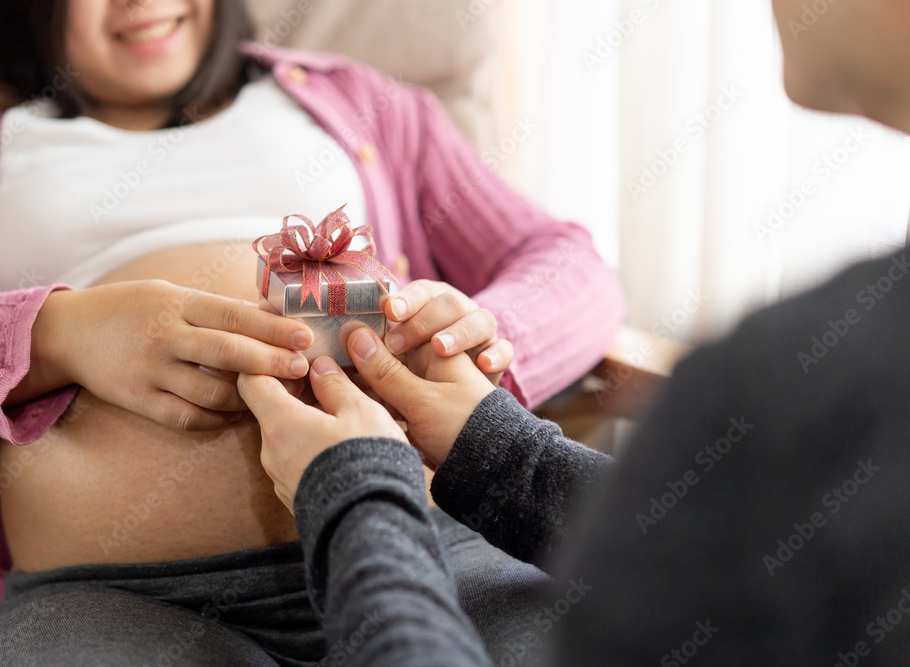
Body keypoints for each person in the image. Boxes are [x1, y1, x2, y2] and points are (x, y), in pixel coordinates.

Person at [0, 0, 624, 665]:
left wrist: (488, 336)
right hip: (101, 599)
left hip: (429, 549)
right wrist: (54, 336)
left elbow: (573, 265)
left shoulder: (364, 104)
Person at [243, 0, 910, 664]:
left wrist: (366, 478)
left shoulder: (793, 395)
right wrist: (493, 445)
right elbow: (712, 561)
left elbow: (568, 263)